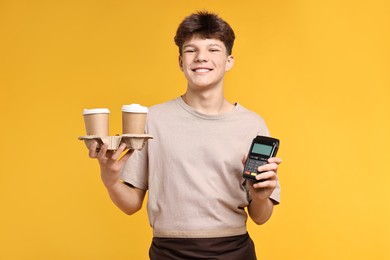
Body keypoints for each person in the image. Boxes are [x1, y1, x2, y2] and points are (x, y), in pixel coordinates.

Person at [88, 11, 282, 260]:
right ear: (180, 61)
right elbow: (130, 205)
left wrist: (260, 196)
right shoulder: (152, 120)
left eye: (213, 49)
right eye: (191, 50)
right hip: (169, 252)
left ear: (229, 60)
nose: (202, 57)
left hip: (234, 251)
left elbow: (261, 217)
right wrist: (111, 181)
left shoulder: (252, 124)